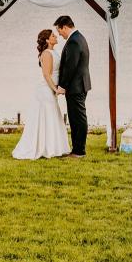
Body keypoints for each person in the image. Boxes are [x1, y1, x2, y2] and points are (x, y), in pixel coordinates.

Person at [12, 28, 71, 160]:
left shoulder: (53, 52)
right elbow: (46, 75)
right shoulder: (47, 54)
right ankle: (45, 148)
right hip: (45, 90)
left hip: (50, 89)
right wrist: (55, 89)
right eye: (53, 35)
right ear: (47, 40)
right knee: (47, 116)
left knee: (52, 116)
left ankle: (52, 146)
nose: (56, 36)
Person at [54, 15, 91, 158]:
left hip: (76, 86)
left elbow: (71, 66)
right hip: (80, 84)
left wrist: (62, 86)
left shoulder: (74, 41)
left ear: (65, 27)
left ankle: (79, 151)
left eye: (59, 31)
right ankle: (77, 149)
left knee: (78, 119)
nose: (59, 35)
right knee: (76, 118)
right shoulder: (78, 37)